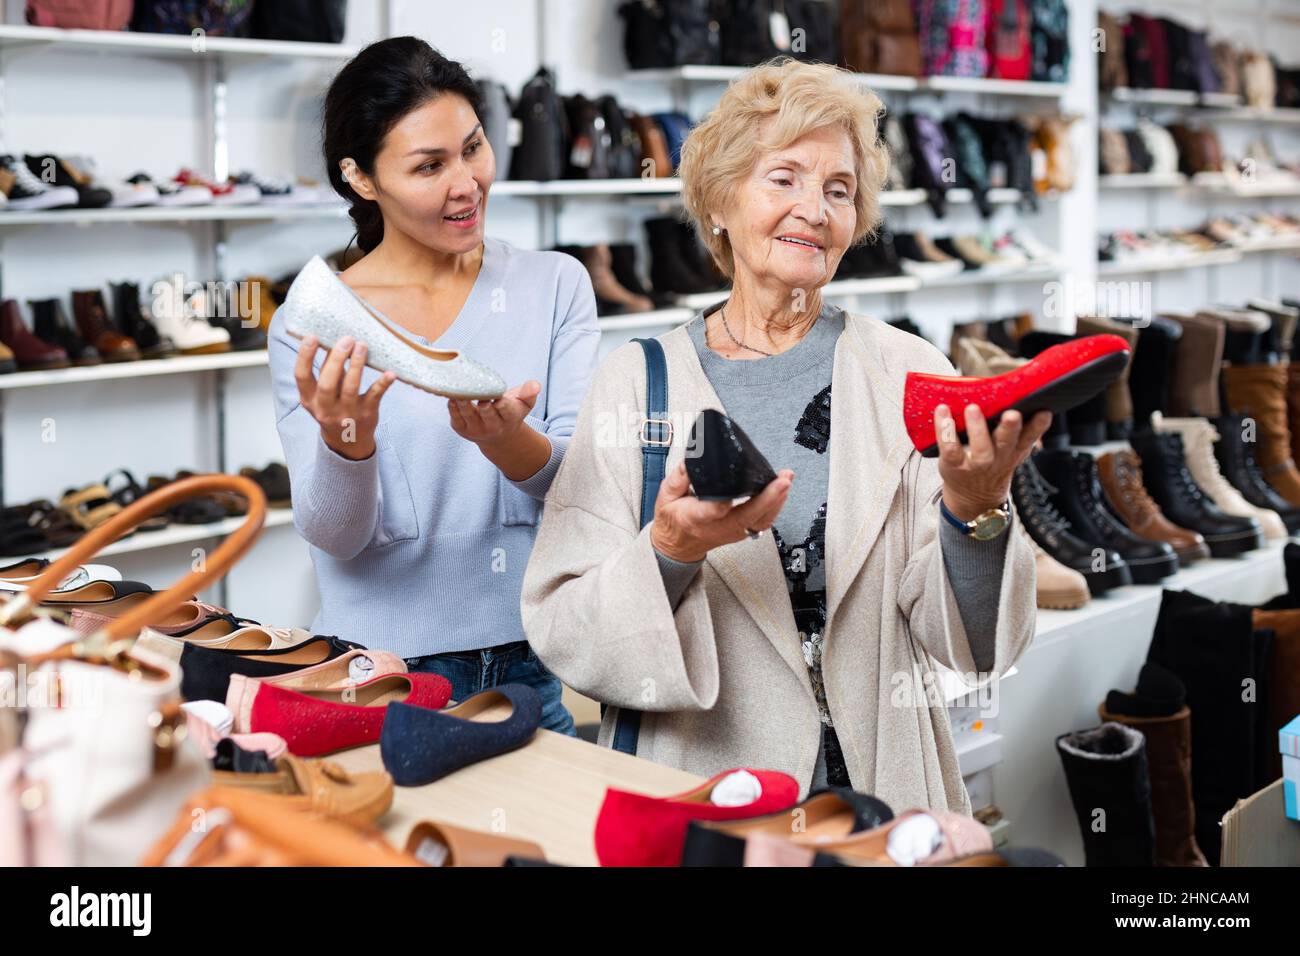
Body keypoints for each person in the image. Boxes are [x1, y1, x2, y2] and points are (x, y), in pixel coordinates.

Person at [521, 58, 1049, 806]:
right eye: (785, 178)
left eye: (839, 189)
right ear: (720, 203)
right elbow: (564, 629)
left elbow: (973, 648)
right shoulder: (636, 384)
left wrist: (978, 508)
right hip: (709, 798)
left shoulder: (907, 371)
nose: (816, 207)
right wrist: (672, 551)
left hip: (886, 801)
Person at [267, 37, 599, 735]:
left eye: (474, 148)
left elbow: (585, 488)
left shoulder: (554, 284)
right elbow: (335, 535)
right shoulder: (316, 318)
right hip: (380, 673)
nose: (467, 183)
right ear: (360, 178)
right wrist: (345, 442)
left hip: (530, 664)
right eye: (429, 166)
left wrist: (512, 445)